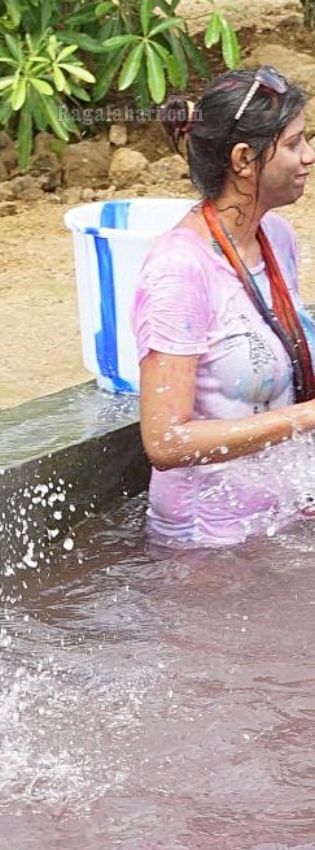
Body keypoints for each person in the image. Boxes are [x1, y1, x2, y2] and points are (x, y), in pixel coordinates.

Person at [134, 67, 315, 546]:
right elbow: (165, 442)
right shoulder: (179, 270)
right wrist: (309, 417)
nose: (309, 157)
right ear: (244, 159)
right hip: (210, 547)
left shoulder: (276, 237)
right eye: (295, 143)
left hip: (279, 522)